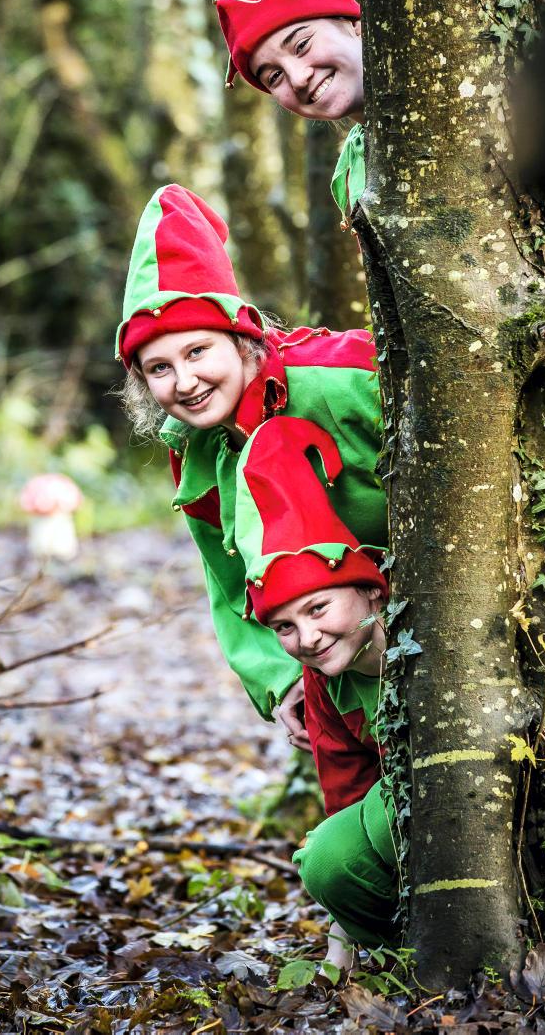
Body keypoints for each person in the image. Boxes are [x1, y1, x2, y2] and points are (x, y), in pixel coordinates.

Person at [116, 182, 386, 747]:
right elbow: (230, 577)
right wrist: (281, 678)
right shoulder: (193, 451)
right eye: (159, 368)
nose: (185, 382)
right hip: (339, 664)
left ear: (241, 341)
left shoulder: (342, 377)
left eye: (197, 351)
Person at [234, 414, 399, 969]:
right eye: (284, 626)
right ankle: (403, 950)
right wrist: (341, 925)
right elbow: (345, 793)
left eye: (319, 608)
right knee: (325, 858)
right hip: (397, 817)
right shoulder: (323, 685)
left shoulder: (431, 640)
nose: (307, 638)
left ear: (371, 591)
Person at [213, 0, 366, 225]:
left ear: (353, 24)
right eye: (274, 77)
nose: (298, 78)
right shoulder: (358, 169)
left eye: (301, 45)